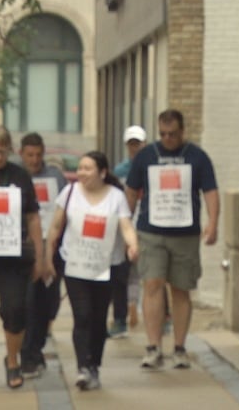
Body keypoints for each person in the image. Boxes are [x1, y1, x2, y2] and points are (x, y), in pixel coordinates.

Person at [125, 109, 219, 370]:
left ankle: (179, 347)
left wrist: (213, 223)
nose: (167, 139)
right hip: (151, 232)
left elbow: (210, 191)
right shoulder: (146, 156)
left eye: (173, 134)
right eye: (163, 134)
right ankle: (153, 347)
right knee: (152, 283)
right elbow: (131, 192)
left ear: (182, 132)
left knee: (181, 288)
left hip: (185, 234)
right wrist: (126, 230)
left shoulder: (197, 157)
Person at [0, 125, 54, 394]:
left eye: (4, 153)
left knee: (15, 309)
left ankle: (13, 360)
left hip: (13, 256)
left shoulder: (18, 176)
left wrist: (40, 257)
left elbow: (33, 216)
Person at [46, 151, 139, 391]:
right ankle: (82, 368)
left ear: (102, 172)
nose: (82, 173)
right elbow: (56, 226)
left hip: (106, 266)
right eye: (80, 168)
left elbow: (126, 225)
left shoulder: (116, 197)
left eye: (88, 168)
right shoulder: (69, 193)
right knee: (83, 315)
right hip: (75, 264)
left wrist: (132, 244)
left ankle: (94, 363)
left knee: (98, 319)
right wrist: (48, 256)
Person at [17, 133, 68, 378]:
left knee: (49, 303)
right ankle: (27, 355)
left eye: (38, 155)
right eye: (30, 155)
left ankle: (36, 348)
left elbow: (65, 209)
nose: (35, 160)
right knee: (29, 303)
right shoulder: (16, 177)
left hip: (54, 247)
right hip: (26, 248)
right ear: (21, 154)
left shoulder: (55, 177)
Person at [108, 125, 147, 338]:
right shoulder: (120, 171)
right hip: (125, 225)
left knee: (151, 272)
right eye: (131, 144)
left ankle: (164, 318)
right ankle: (121, 317)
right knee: (121, 273)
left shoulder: (151, 166)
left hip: (147, 224)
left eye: (138, 144)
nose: (135, 148)